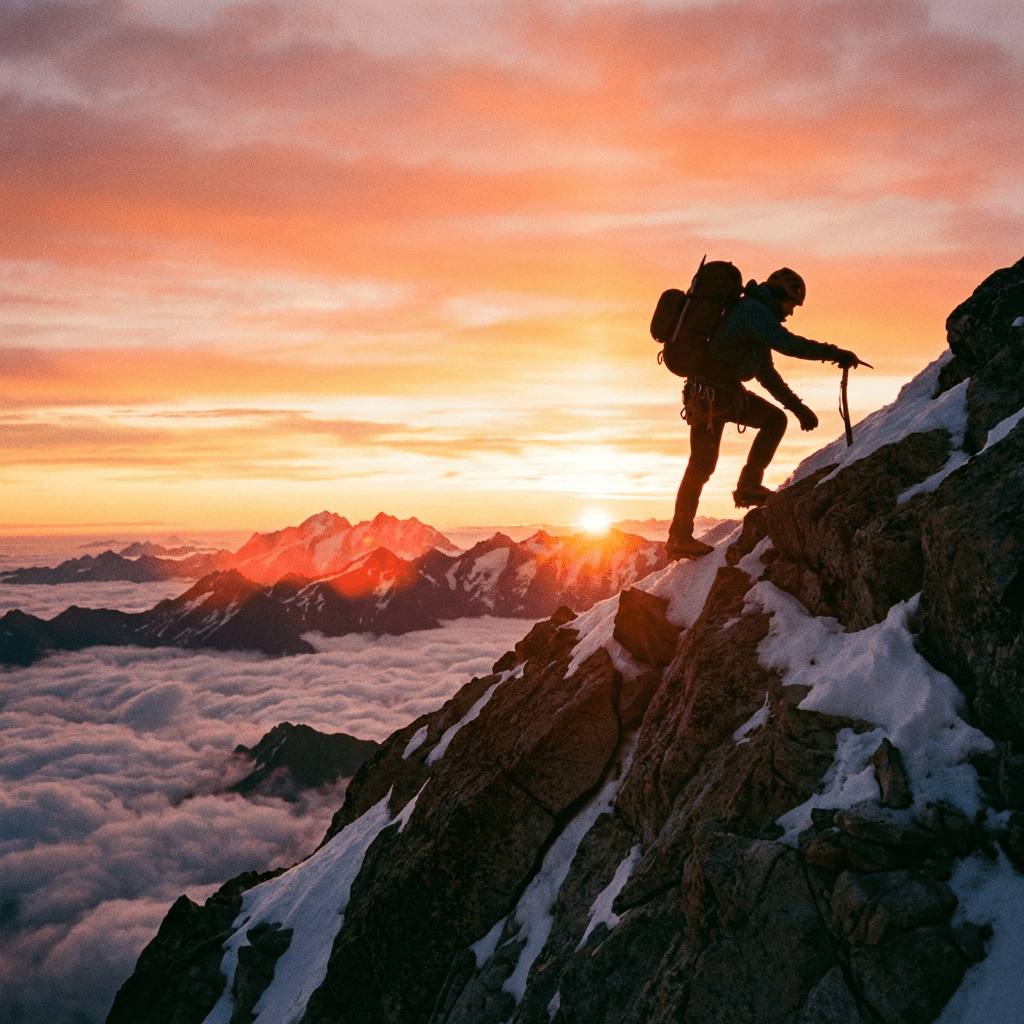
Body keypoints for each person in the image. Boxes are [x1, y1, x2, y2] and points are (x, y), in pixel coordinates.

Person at [666, 268, 864, 561]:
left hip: (719, 393)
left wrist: (797, 408)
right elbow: (789, 345)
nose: (792, 312)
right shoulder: (753, 311)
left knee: (773, 421)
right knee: (702, 465)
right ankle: (679, 536)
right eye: (792, 304)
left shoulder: (757, 317)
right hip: (710, 395)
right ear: (781, 295)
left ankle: (747, 486)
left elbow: (766, 373)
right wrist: (835, 353)